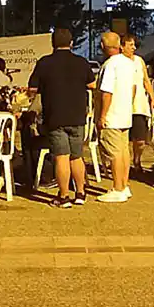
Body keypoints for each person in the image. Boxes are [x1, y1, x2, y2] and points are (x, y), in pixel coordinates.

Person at [28, 29, 96, 207]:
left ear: (53, 43)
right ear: (71, 43)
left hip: (55, 116)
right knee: (76, 156)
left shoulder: (44, 63)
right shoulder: (81, 62)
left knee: (61, 157)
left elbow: (32, 89)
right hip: (77, 116)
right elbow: (92, 84)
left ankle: (64, 196)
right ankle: (80, 193)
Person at [96, 32, 138, 203]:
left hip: (112, 115)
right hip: (125, 113)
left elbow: (107, 92)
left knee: (113, 153)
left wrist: (102, 115)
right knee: (123, 151)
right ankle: (124, 185)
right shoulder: (129, 63)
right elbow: (134, 88)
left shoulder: (109, 64)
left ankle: (117, 188)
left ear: (102, 45)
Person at [122, 34, 154, 172]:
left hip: (139, 105)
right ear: (122, 46)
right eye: (130, 45)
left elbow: (146, 80)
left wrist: (152, 98)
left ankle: (137, 159)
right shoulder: (118, 62)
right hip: (123, 105)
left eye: (134, 45)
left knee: (140, 139)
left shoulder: (139, 61)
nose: (133, 48)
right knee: (123, 139)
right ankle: (122, 164)